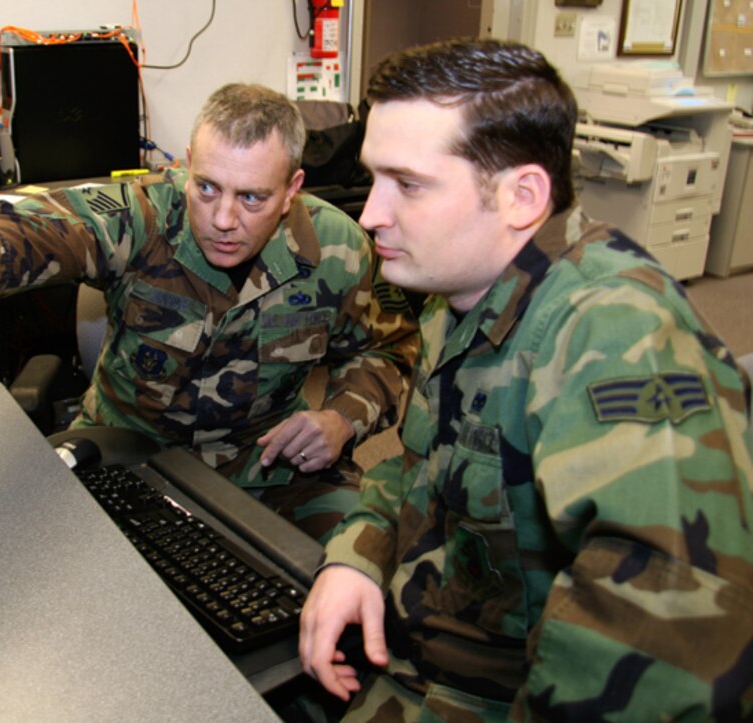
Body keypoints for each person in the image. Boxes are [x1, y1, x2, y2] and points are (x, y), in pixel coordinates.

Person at [298, 38, 753, 720]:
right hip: (427, 638)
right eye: (374, 179)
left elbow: (669, 654)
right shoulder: (455, 297)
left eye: (408, 184)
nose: (369, 215)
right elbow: (418, 471)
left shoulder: (616, 335)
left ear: (522, 195)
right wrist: (354, 557)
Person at [0, 83, 420, 544]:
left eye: (252, 198)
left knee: (358, 564)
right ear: (186, 167)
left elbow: (386, 352)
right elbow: (40, 229)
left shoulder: (336, 248)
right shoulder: (143, 215)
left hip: (265, 464)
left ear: (292, 190)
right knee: (32, 567)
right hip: (126, 448)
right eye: (207, 187)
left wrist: (340, 417)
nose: (222, 219)